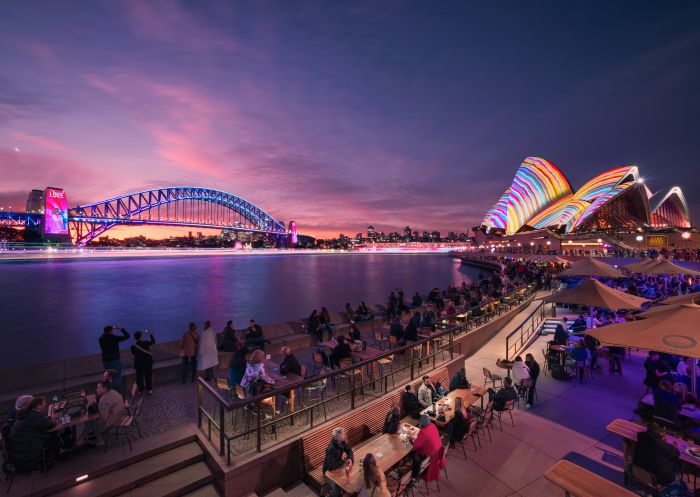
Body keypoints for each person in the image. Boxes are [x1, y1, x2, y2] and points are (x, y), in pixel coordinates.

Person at [633, 422, 684, 491]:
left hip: (639, 472)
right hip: (659, 478)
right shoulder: (661, 445)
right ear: (659, 432)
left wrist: (661, 441)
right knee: (680, 480)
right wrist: (673, 446)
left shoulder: (641, 438)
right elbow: (677, 453)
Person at [8, 396, 55, 471]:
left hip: (19, 447)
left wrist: (47, 419)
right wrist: (53, 420)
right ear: (38, 405)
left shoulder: (26, 413)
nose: (45, 405)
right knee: (53, 439)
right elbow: (47, 425)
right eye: (44, 403)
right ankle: (47, 461)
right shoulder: (34, 415)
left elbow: (37, 423)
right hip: (28, 449)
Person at [323, 427, 354, 497]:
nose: (345, 436)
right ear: (337, 437)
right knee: (337, 492)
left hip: (338, 468)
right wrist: (343, 461)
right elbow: (331, 466)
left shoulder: (341, 442)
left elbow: (349, 450)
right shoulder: (331, 448)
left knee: (350, 480)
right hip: (328, 472)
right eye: (343, 435)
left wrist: (350, 459)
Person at [411, 414, 443, 479]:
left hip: (431, 456)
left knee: (412, 454)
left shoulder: (423, 432)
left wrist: (412, 440)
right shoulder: (433, 425)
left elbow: (416, 445)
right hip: (439, 452)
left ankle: (413, 475)